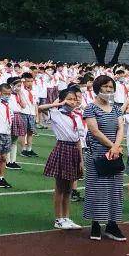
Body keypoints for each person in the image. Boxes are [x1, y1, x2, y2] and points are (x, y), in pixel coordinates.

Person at [83, 75, 127, 241]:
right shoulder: (90, 108)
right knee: (97, 188)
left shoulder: (116, 108)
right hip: (99, 153)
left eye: (111, 87)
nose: (108, 90)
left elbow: (120, 128)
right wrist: (112, 146)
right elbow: (94, 131)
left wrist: (116, 147)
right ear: (98, 88)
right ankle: (95, 223)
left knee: (115, 189)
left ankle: (112, 224)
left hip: (114, 153)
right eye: (105, 87)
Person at [39, 89, 85, 230]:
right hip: (62, 148)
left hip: (74, 150)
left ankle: (66, 217)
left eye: (74, 99)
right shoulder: (56, 114)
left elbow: (78, 139)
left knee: (69, 188)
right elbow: (40, 108)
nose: (72, 101)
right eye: (69, 99)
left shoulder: (77, 116)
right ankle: (58, 218)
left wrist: (81, 159)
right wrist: (60, 103)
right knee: (60, 187)